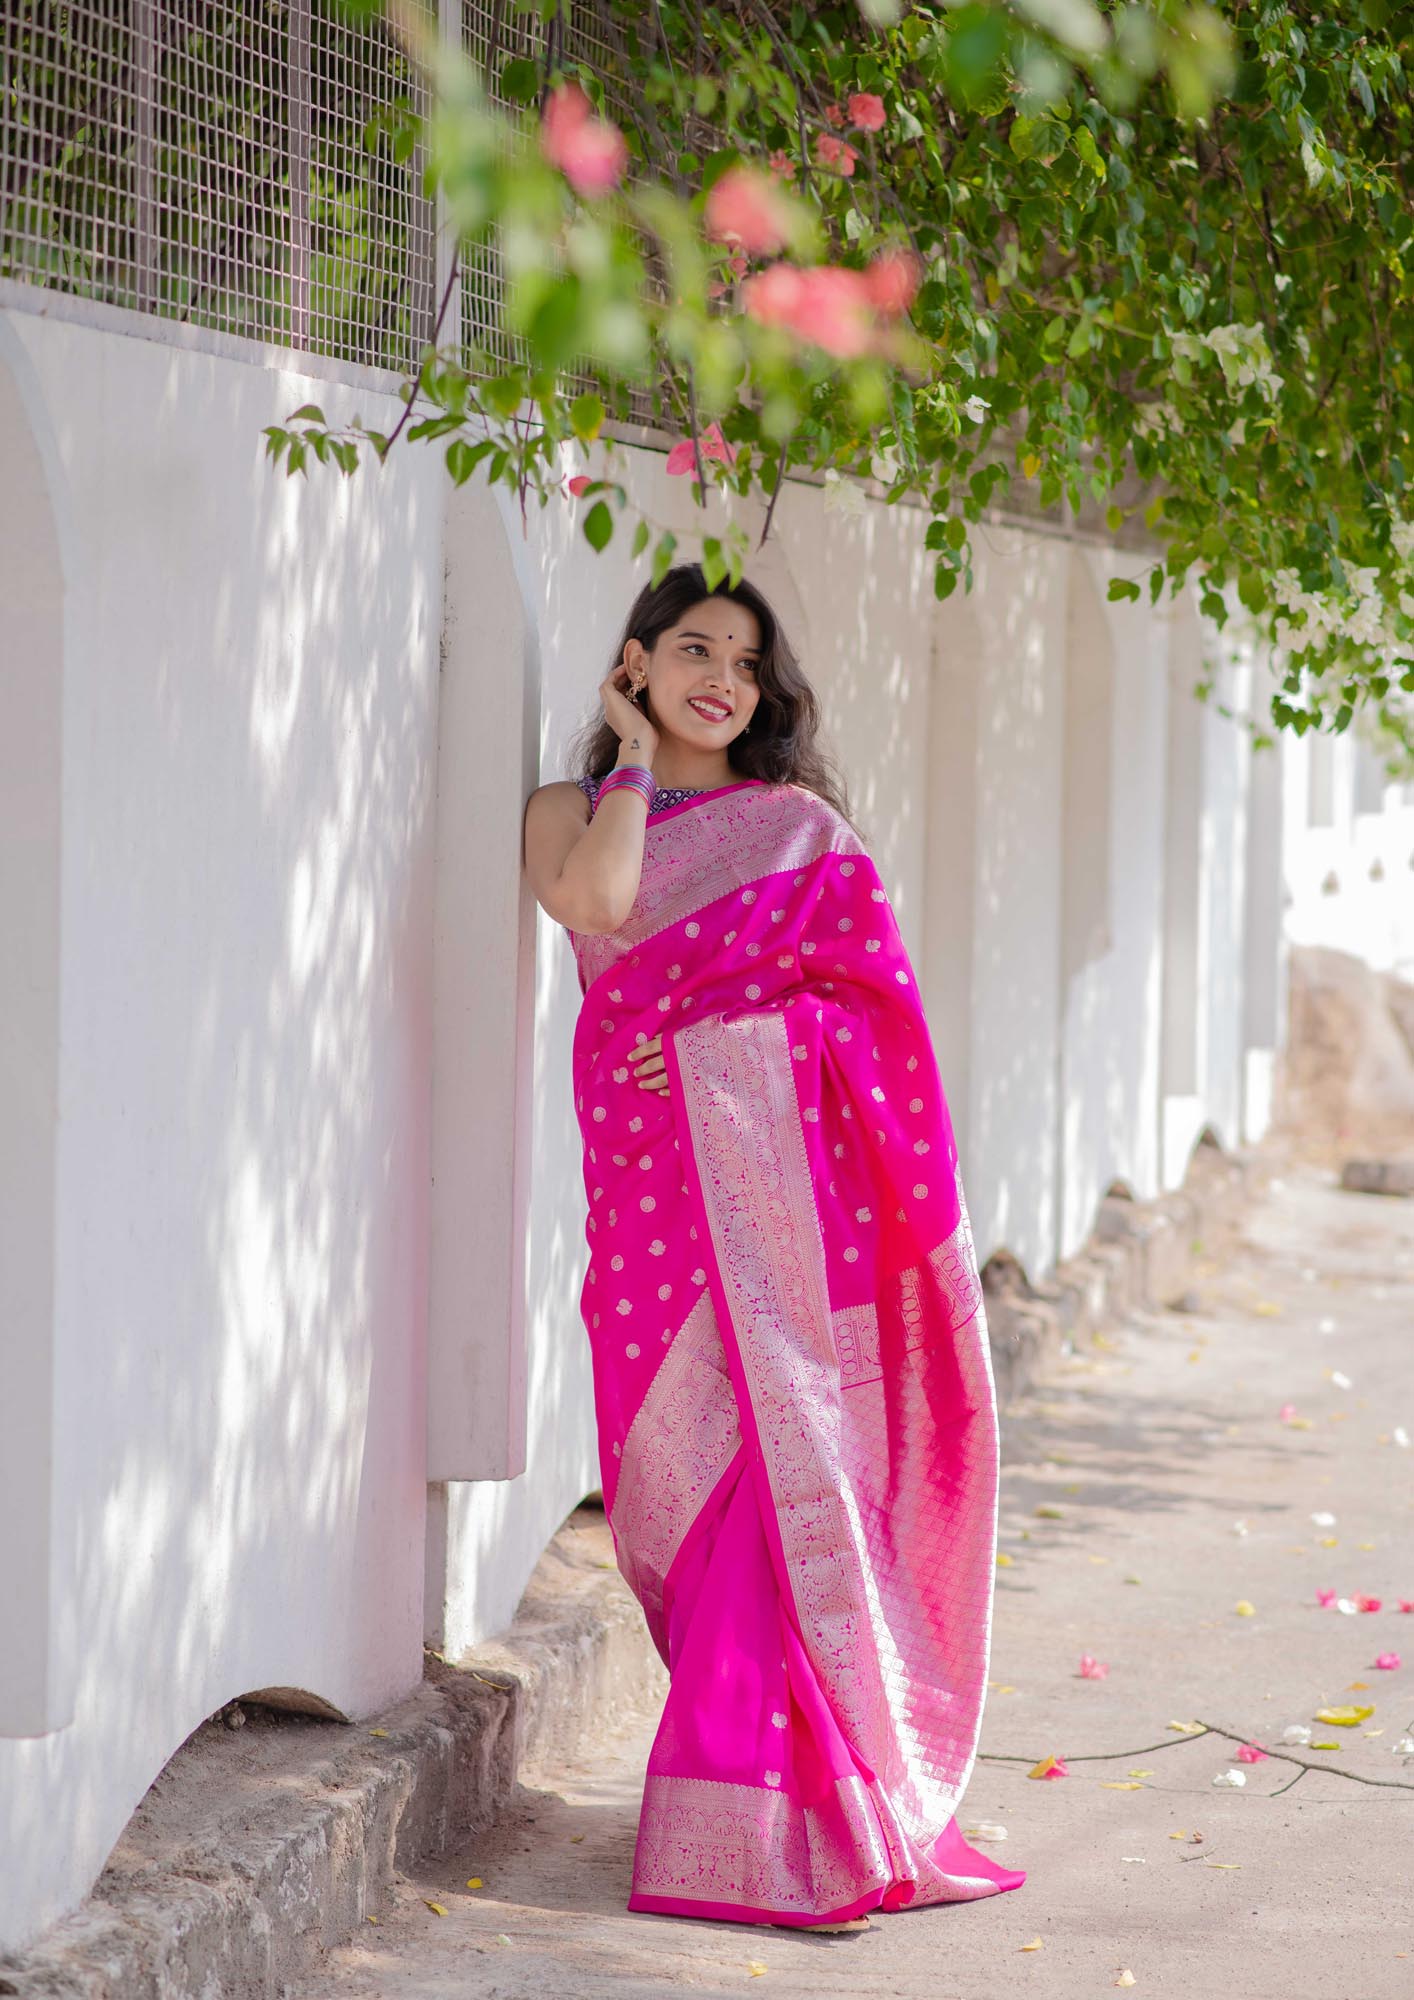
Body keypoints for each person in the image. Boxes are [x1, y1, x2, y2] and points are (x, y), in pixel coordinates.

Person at [522, 564, 1025, 1931]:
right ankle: (767, 1802)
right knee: (670, 1496)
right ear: (634, 662)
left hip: (776, 1206)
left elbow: (870, 1018)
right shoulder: (570, 808)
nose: (724, 681)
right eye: (694, 650)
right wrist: (630, 756)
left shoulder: (797, 830)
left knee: (767, 1485)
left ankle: (773, 1817)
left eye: (745, 665)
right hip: (646, 1200)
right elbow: (593, 907)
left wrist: (748, 1058)